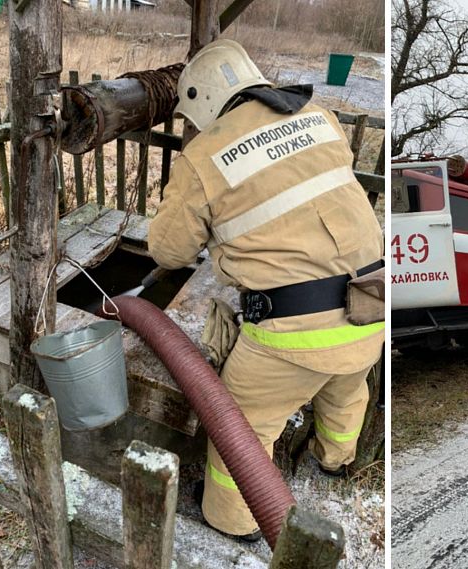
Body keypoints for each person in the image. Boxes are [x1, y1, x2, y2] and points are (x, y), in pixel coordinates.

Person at [147, 39, 384, 542]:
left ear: (203, 102)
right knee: (346, 389)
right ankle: (336, 462)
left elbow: (168, 252)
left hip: (294, 335)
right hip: (373, 305)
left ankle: (235, 524)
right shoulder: (319, 117)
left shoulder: (204, 155)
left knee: (242, 426)